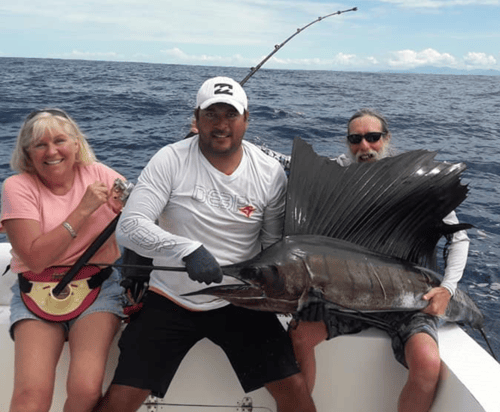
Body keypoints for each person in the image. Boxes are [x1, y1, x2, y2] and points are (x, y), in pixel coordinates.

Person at [93, 77, 315, 412]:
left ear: (246, 120)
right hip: (170, 297)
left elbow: (271, 247)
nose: (221, 125)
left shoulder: (269, 173)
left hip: (241, 300)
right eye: (212, 115)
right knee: (119, 401)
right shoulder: (169, 159)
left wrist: (278, 291)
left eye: (231, 115)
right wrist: (187, 249)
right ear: (196, 118)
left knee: (296, 395)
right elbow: (130, 227)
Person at [289, 108, 470, 412]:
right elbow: (279, 162)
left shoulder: (415, 182)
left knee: (427, 363)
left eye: (373, 138)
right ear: (347, 143)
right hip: (345, 296)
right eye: (355, 139)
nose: (364, 147)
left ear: (387, 139)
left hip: (408, 300)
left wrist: (447, 289)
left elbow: (459, 238)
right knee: (299, 335)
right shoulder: (337, 176)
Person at [0, 108, 126, 412]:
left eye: (59, 141)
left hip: (98, 287)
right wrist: (83, 210)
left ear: (76, 145)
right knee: (31, 394)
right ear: (28, 154)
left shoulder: (102, 175)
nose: (51, 151)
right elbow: (36, 259)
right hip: (37, 287)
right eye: (40, 144)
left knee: (85, 388)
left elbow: (142, 213)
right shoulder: (17, 186)